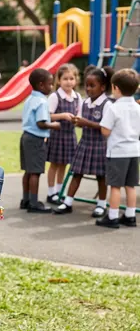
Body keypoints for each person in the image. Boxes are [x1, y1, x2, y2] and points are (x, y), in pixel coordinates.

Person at [54, 67, 114, 217]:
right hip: (85, 143)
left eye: (92, 86)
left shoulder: (107, 104)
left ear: (102, 87)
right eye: (87, 85)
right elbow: (80, 120)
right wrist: (77, 122)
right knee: (77, 173)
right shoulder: (85, 102)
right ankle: (67, 202)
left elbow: (105, 127)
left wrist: (86, 122)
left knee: (101, 176)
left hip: (100, 145)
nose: (88, 89)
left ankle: (101, 204)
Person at [97, 69, 140, 228]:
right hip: (134, 151)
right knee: (131, 185)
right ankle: (130, 215)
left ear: (115, 88)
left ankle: (113, 216)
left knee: (115, 186)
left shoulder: (113, 108)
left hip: (117, 152)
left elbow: (105, 130)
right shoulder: (137, 107)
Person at [20, 68, 60, 213]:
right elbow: (41, 123)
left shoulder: (29, 99)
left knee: (28, 171)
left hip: (25, 136)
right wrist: (54, 125)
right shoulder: (42, 101)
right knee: (35, 172)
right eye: (50, 84)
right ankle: (34, 202)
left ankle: (25, 199)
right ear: (41, 85)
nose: (51, 87)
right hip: (36, 139)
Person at [46, 64, 82, 204]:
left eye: (71, 78)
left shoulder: (77, 97)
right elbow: (48, 116)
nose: (69, 81)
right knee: (54, 164)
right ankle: (51, 192)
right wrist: (62, 116)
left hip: (70, 135)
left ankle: (59, 191)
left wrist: (76, 120)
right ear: (59, 81)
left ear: (76, 80)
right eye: (65, 78)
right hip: (57, 135)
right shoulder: (55, 96)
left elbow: (79, 115)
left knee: (64, 165)